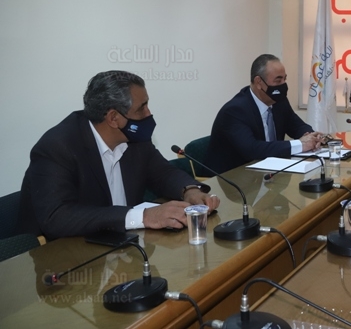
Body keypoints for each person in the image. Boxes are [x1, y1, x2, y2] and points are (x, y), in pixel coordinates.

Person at [17, 71, 219, 241]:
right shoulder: (57, 147)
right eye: (141, 108)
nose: (149, 114)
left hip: (125, 246)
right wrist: (144, 216)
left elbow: (162, 172)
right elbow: (56, 217)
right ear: (114, 118)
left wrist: (189, 190)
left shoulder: (135, 139)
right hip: (68, 256)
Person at [205, 54, 324, 173]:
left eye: (284, 79)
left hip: (269, 173)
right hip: (231, 177)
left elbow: (296, 125)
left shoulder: (279, 101)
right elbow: (252, 149)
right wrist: (300, 144)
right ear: (258, 82)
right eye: (278, 80)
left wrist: (312, 137)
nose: (283, 84)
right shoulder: (235, 111)